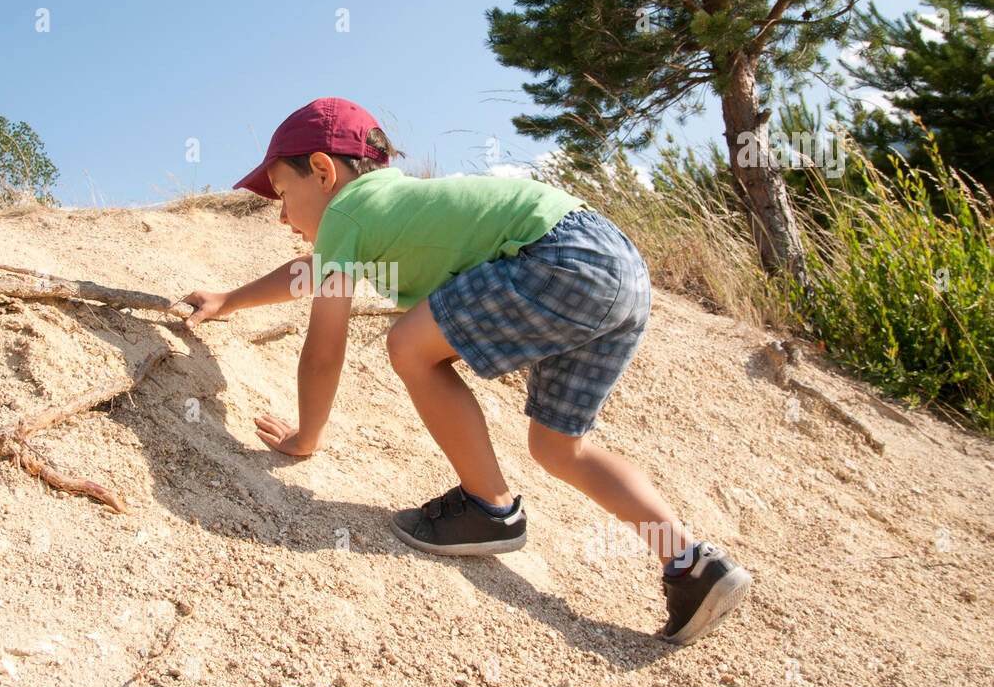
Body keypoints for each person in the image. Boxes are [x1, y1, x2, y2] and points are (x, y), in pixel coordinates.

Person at [179, 97, 751, 645]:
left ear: (324, 171)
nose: (281, 215)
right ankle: (690, 564)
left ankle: (490, 510)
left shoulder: (347, 214)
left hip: (558, 256)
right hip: (618, 269)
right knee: (559, 448)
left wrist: (307, 437)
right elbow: (310, 272)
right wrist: (228, 299)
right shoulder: (384, 210)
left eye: (282, 192)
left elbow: (325, 349)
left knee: (408, 345)